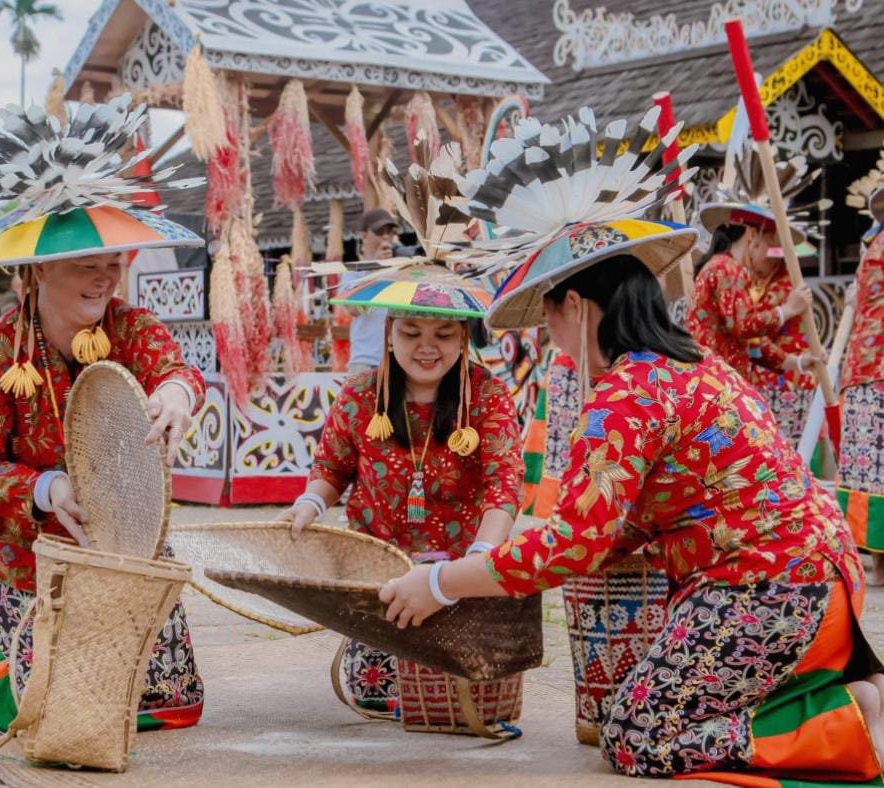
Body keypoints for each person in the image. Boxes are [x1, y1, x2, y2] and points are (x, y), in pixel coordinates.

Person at [385, 109, 882, 783]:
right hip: (812, 579)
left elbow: (572, 546)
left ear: (576, 307)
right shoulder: (693, 366)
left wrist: (441, 581)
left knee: (637, 738)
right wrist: (501, 559)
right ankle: (833, 701)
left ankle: (841, 723)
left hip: (766, 590)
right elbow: (614, 526)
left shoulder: (626, 395)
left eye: (549, 314)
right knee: (648, 720)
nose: (551, 336)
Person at [0, 95, 209, 733]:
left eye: (113, 263)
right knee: (59, 714)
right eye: (87, 264)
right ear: (38, 270)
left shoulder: (131, 327)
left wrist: (175, 395)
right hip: (26, 557)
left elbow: (177, 369)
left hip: (126, 545)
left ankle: (8, 660)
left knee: (169, 708)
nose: (105, 276)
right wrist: (50, 489)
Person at [281, 262, 522, 713]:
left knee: (450, 698)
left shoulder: (487, 394)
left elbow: (503, 484)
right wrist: (310, 504)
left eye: (444, 334)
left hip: (453, 583)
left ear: (464, 338)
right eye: (411, 332)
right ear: (390, 333)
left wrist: (478, 560)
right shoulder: (359, 394)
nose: (427, 347)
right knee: (377, 695)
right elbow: (332, 468)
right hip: (379, 580)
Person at [688, 216, 814, 381]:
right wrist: (787, 310)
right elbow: (743, 326)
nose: (770, 253)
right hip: (720, 377)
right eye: (770, 244)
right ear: (753, 235)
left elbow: (751, 340)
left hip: (716, 374)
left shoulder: (723, 265)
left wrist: (797, 362)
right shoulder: (728, 267)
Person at [839, 185, 884, 587]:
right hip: (873, 366)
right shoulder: (875, 244)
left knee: (869, 468)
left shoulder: (873, 245)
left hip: (866, 366)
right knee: (872, 468)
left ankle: (877, 566)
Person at [741, 244, 817, 442]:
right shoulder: (773, 283)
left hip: (781, 382)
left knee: (779, 448)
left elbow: (755, 329)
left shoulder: (782, 286)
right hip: (790, 376)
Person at [339, 209, 398, 376]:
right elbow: (354, 309)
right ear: (364, 236)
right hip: (366, 361)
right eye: (379, 232)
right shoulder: (353, 272)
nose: (386, 237)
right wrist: (376, 270)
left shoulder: (400, 271)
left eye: (390, 232)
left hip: (398, 361)